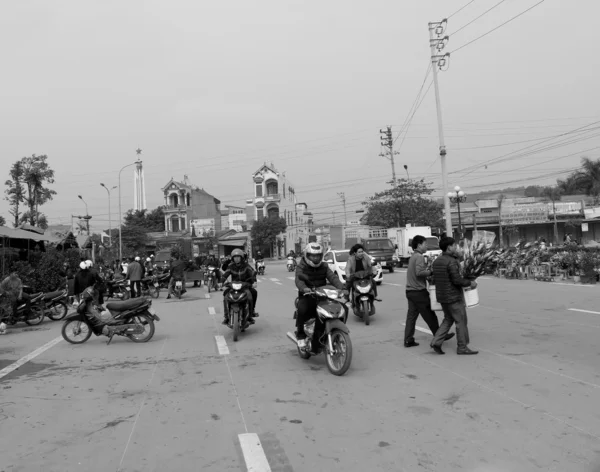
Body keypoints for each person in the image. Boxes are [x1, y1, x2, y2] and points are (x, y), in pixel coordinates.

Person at [430, 237, 478, 355]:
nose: (456, 247)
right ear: (449, 247)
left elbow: (434, 279)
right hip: (453, 297)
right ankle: (462, 347)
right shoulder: (451, 261)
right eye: (454, 245)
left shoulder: (437, 261)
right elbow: (456, 280)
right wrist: (470, 283)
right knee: (460, 321)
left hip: (442, 296)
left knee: (448, 319)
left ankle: (436, 342)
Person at [404, 235, 454, 348]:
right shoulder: (419, 257)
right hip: (418, 292)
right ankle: (440, 336)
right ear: (419, 245)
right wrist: (430, 272)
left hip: (410, 291)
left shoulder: (413, 257)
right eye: (425, 244)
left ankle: (408, 340)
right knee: (430, 316)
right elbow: (419, 272)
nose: (427, 246)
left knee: (411, 317)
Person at [294, 242, 346, 350]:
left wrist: (342, 288)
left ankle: (335, 331)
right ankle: (300, 335)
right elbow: (298, 280)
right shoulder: (301, 266)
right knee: (302, 309)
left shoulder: (324, 266)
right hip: (307, 294)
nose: (315, 258)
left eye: (318, 255)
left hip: (322, 294)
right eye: (313, 255)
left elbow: (333, 278)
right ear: (307, 255)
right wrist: (304, 288)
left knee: (343, 308)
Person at [220, 249, 258, 325]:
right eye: (235, 257)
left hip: (245, 285)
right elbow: (225, 274)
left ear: (241, 258)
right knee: (225, 294)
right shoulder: (231, 266)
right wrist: (221, 282)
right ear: (232, 258)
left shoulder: (246, 266)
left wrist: (254, 282)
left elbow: (252, 273)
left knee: (253, 293)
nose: (236, 259)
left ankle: (251, 313)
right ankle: (226, 316)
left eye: (238, 257)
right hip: (234, 285)